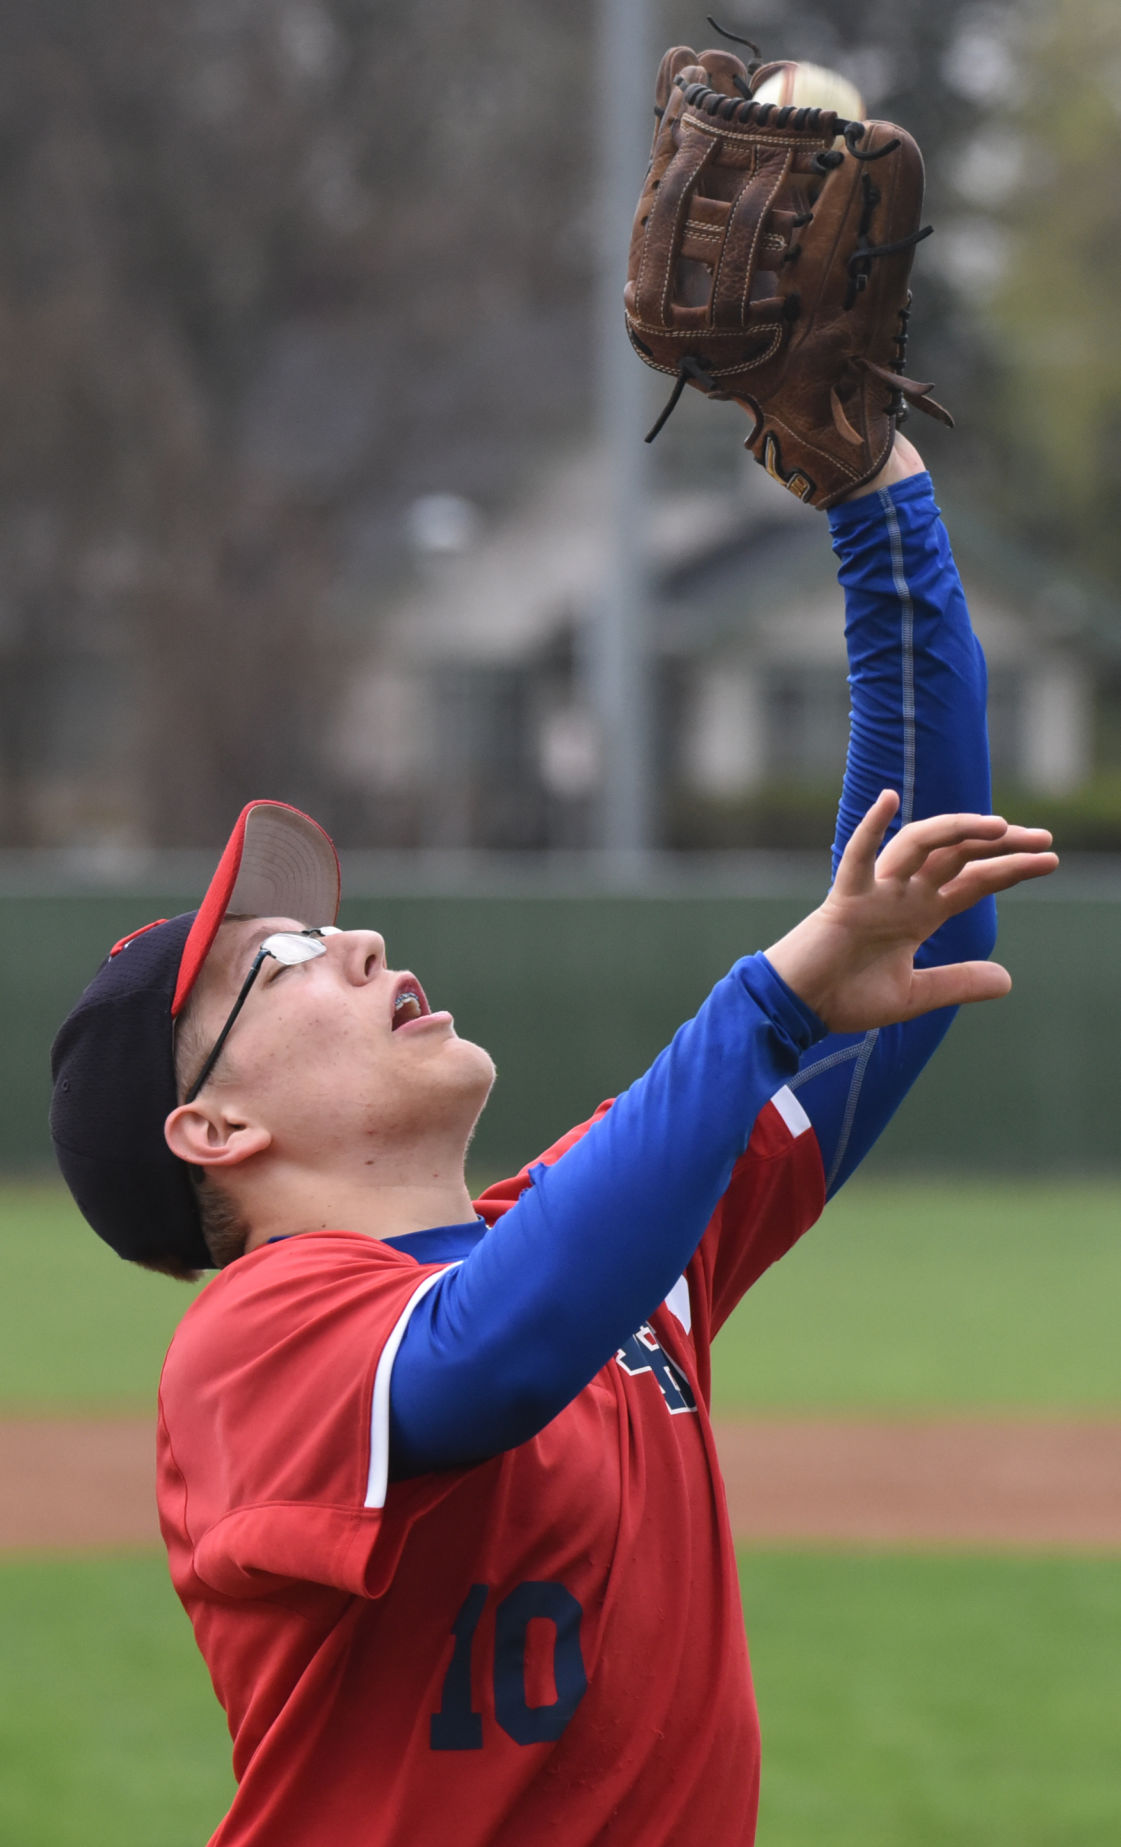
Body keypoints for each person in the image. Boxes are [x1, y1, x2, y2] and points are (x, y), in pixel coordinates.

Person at [49, 434, 1057, 1847]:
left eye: (321, 928)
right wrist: (761, 1008)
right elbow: (492, 1357)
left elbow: (930, 914)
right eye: (277, 969)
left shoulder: (596, 1239)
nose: (355, 943)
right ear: (214, 1126)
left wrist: (879, 513)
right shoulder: (251, 1343)